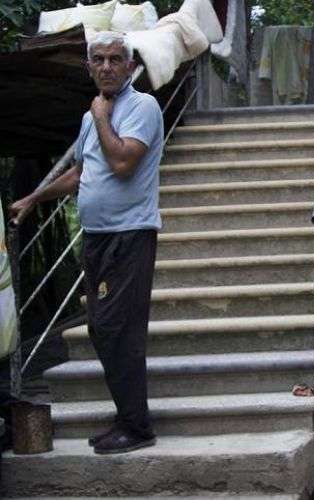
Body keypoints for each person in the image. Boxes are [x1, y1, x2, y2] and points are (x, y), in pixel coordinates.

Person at [9, 31, 163, 455]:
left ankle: (137, 426)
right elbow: (81, 171)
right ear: (89, 67)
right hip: (96, 238)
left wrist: (100, 115)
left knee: (118, 329)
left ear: (130, 66)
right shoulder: (90, 116)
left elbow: (122, 162)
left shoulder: (141, 106)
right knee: (101, 328)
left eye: (116, 59)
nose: (107, 67)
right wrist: (33, 198)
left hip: (129, 234)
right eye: (99, 59)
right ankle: (127, 419)